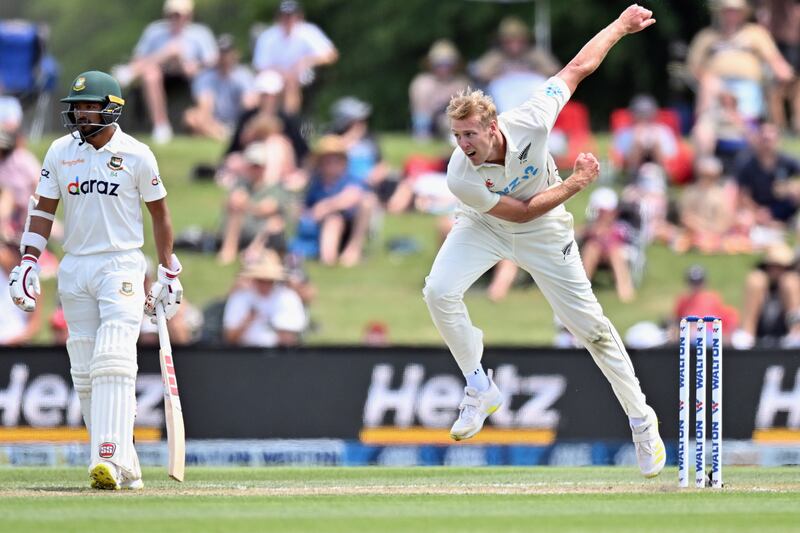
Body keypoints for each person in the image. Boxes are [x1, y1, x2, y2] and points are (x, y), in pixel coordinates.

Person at [422, 5, 665, 478]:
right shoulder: (460, 173)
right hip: (486, 224)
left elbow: (577, 69)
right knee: (438, 291)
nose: (464, 144)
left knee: (591, 328)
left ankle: (642, 422)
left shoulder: (531, 118)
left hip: (545, 233)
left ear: (492, 127)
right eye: (456, 135)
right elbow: (518, 210)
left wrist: (619, 26)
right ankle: (479, 386)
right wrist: (576, 183)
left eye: (470, 134)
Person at [7, 71, 183, 490]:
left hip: (121, 264)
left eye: (90, 106)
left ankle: (108, 458)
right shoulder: (59, 151)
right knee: (85, 370)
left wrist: (168, 269)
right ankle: (126, 464)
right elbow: (43, 210)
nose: (82, 113)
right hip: (75, 267)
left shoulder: (137, 154)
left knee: (112, 358)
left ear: (112, 109)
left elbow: (160, 214)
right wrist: (29, 261)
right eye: (78, 106)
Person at [113, 0, 218, 144]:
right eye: (172, 15)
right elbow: (138, 58)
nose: (176, 19)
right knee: (151, 73)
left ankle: (130, 73)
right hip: (162, 73)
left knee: (194, 69)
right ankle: (161, 125)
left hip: (190, 77)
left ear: (189, 16)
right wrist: (166, 54)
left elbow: (211, 61)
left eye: (180, 15)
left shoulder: (200, 33)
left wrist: (194, 65)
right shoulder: (154, 31)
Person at [687, 0, 793, 121]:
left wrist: (783, 72)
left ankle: (746, 124)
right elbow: (693, 66)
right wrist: (707, 79)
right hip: (716, 86)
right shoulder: (706, 36)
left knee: (747, 112)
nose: (731, 14)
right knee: (708, 85)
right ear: (720, 13)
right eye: (728, 11)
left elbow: (774, 58)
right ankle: (704, 125)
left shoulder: (755, 33)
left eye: (735, 11)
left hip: (748, 84)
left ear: (743, 13)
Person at [252, 0, 338, 115]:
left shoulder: (309, 32)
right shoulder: (268, 36)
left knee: (292, 83)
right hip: (274, 74)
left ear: (299, 16)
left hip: (304, 74)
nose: (288, 20)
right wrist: (283, 73)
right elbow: (260, 66)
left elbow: (331, 55)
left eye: (291, 15)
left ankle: (290, 121)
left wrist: (307, 60)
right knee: (262, 88)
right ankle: (264, 120)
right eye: (285, 16)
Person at [222, 250, 307, 347]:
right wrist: (247, 320)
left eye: (269, 281)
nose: (265, 285)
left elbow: (291, 337)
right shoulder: (240, 298)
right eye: (261, 280)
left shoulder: (288, 298)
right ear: (254, 279)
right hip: (245, 353)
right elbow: (230, 339)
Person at [183, 34, 257, 141]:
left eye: (227, 53)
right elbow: (205, 105)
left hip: (238, 121)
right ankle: (221, 135)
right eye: (222, 53)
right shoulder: (205, 77)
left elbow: (249, 103)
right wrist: (211, 123)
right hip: (214, 122)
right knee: (190, 117)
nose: (225, 57)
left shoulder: (244, 75)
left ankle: (227, 134)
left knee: (251, 106)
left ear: (235, 54)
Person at [732, 242, 800, 348]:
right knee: (756, 280)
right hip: (758, 331)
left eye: (780, 267)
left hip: (787, 332)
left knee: (790, 282)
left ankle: (796, 331)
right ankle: (747, 334)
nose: (776, 270)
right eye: (772, 266)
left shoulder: (792, 281)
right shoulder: (758, 281)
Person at [409, 40, 470, 140]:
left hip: (450, 122)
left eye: (447, 64)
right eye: (439, 64)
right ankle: (422, 133)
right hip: (427, 122)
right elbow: (419, 108)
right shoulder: (422, 82)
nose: (443, 68)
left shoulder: (461, 83)